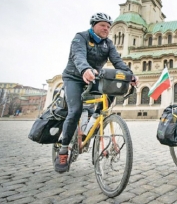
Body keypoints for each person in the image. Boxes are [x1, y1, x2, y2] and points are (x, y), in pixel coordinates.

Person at [55, 12, 138, 173]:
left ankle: (95, 117)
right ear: (93, 25)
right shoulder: (81, 37)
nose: (106, 29)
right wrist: (85, 69)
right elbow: (78, 56)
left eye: (108, 27)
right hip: (74, 77)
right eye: (103, 25)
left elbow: (117, 61)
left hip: (94, 77)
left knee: (115, 85)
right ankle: (64, 150)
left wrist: (131, 75)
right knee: (75, 111)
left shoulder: (108, 44)